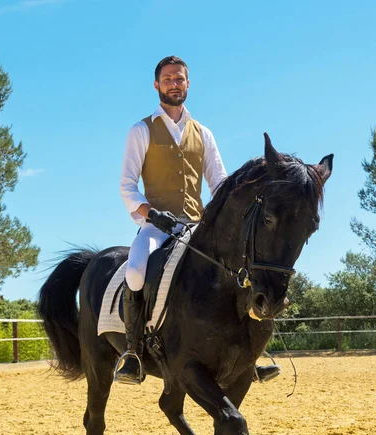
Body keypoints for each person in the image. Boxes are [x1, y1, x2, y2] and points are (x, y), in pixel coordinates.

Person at [115, 55, 280, 385]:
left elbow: (219, 182)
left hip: (197, 224)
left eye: (179, 78)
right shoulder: (141, 130)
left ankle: (253, 354)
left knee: (243, 269)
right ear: (156, 85)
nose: (174, 83)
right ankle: (132, 352)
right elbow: (127, 186)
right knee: (134, 269)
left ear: (188, 84)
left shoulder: (203, 133)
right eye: (167, 79)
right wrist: (150, 214)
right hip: (157, 226)